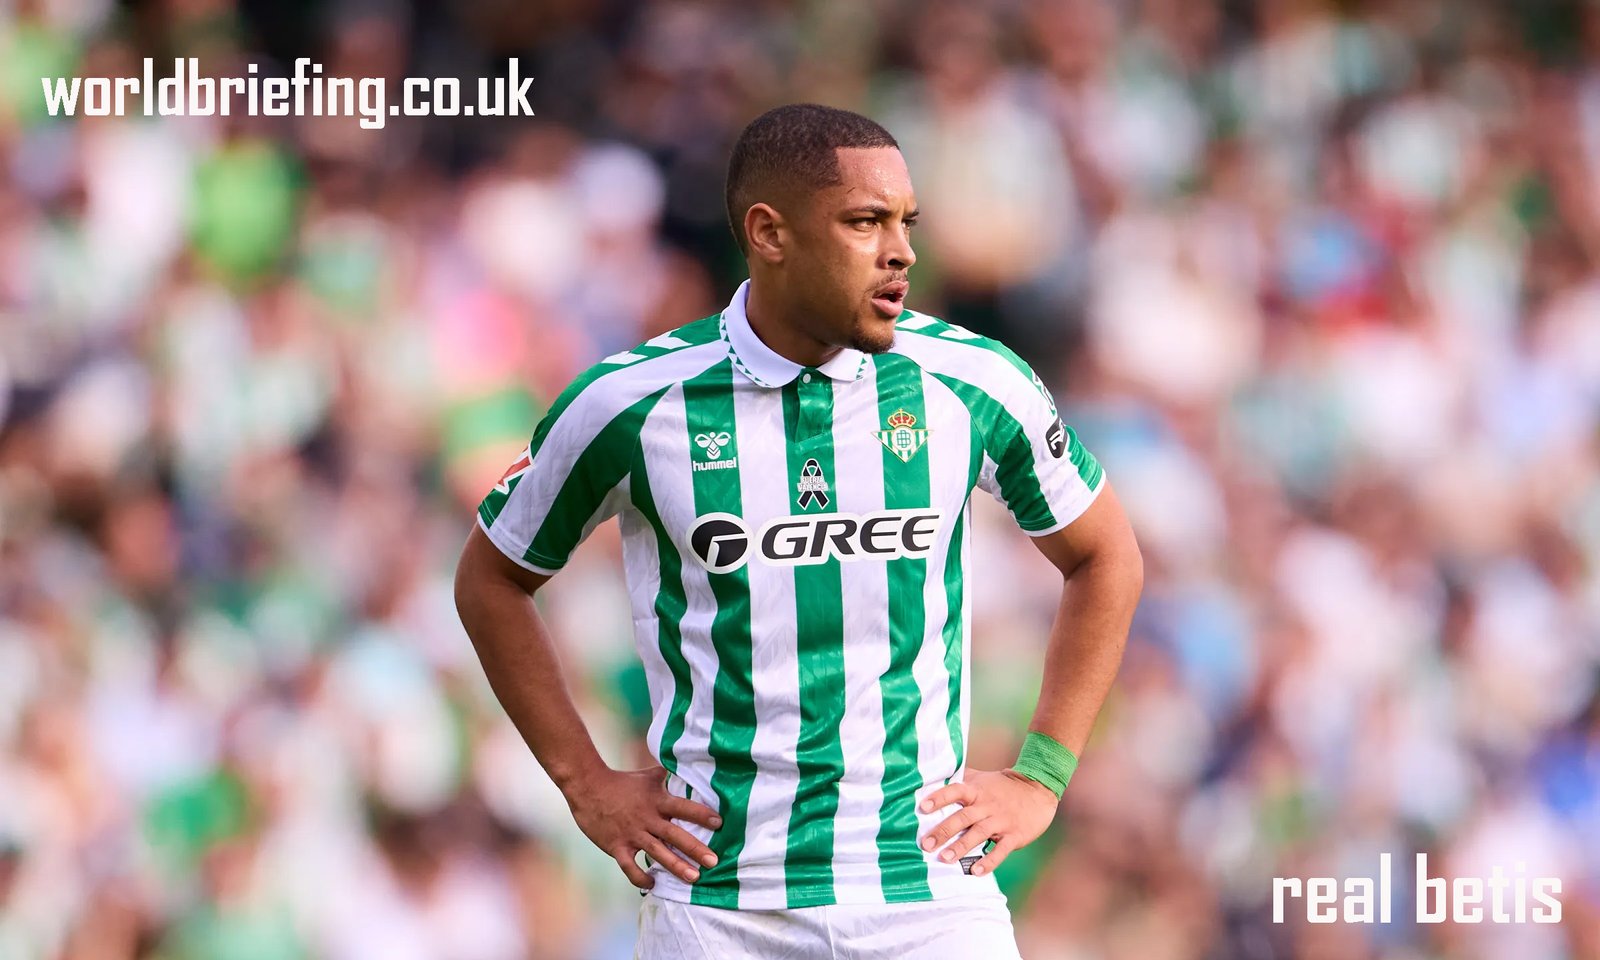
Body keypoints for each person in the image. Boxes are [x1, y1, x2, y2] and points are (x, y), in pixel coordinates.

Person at [453, 103, 1143, 959]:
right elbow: (491, 577)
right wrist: (583, 783)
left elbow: (1105, 554)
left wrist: (1041, 775)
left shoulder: (974, 381)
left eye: (907, 222)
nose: (902, 251)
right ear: (769, 233)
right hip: (719, 909)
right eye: (865, 222)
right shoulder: (630, 403)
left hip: (929, 896)